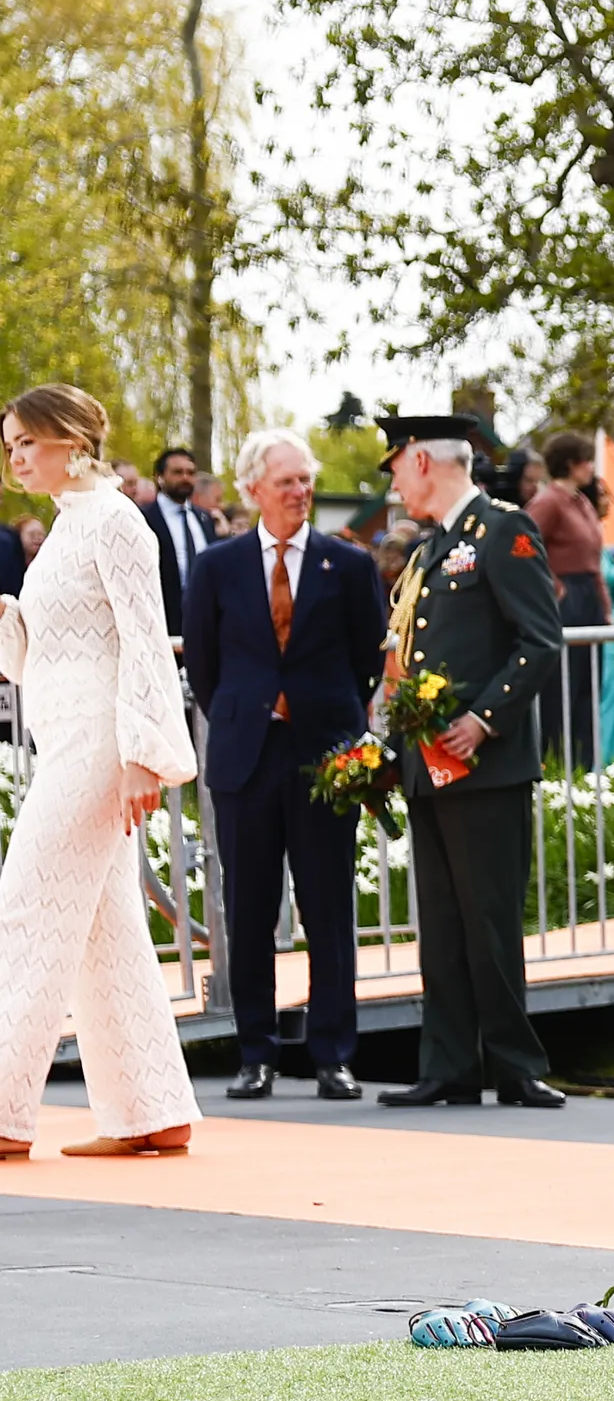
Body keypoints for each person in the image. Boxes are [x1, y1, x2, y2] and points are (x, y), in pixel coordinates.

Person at [0, 386, 207, 1161]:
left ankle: (5, 1113)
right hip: (68, 742)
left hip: (98, 748)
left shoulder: (117, 520)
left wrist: (143, 755)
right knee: (105, 930)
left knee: (22, 910)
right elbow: (47, 656)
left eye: (25, 442)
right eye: (10, 445)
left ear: (66, 438)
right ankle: (152, 1113)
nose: (14, 456)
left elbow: (145, 642)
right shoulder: (67, 526)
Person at [369, 416, 568, 1110]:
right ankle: (449, 1065)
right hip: (431, 762)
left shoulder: (501, 531)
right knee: (445, 922)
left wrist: (484, 719)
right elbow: (408, 661)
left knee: (488, 918)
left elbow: (540, 641)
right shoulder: (432, 551)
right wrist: (390, 750)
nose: (393, 481)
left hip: (485, 764)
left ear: (423, 460)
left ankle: (514, 1064)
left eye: (396, 466)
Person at [190, 428, 385, 1103]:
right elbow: (207, 669)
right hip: (247, 757)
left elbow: (368, 660)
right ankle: (255, 1054)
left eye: (305, 479)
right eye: (287, 482)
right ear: (253, 489)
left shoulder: (349, 565)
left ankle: (333, 1054)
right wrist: (253, 714)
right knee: (248, 911)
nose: (300, 492)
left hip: (324, 756)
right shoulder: (216, 567)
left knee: (328, 906)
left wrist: (327, 718)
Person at [524, 431, 614, 764]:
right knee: (563, 689)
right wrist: (553, 586)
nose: (591, 466)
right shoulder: (548, 502)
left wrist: (603, 607)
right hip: (566, 602)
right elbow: (521, 545)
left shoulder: (582, 501)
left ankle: (586, 769)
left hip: (589, 596)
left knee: (588, 690)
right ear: (570, 464)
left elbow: (595, 558)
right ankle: (558, 766)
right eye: (586, 460)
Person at [136, 441, 219, 651]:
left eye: (190, 473)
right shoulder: (143, 518)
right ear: (159, 477)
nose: (185, 478)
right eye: (177, 472)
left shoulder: (204, 519)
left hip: (203, 623)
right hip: (160, 624)